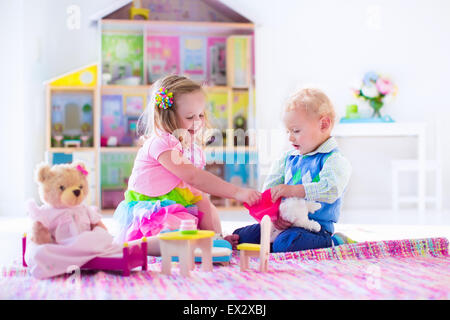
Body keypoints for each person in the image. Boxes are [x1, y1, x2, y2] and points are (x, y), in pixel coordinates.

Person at [113, 75, 260, 254]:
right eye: (190, 117)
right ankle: (127, 248)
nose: (197, 122)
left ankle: (213, 241)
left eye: (201, 115)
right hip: (153, 211)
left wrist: (215, 233)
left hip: (178, 205)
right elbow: (193, 177)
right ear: (167, 116)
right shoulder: (160, 143)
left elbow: (197, 193)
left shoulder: (190, 148)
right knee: (175, 233)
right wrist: (237, 192)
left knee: (207, 208)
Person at [232, 88, 355, 252]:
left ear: (323, 125)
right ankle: (272, 244)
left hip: (315, 229)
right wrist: (274, 217)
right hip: (282, 226)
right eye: (288, 131)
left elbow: (331, 189)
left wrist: (293, 190)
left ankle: (335, 242)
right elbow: (269, 190)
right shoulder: (287, 158)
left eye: (296, 131)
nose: (290, 138)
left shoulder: (334, 160)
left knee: (287, 243)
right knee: (240, 236)